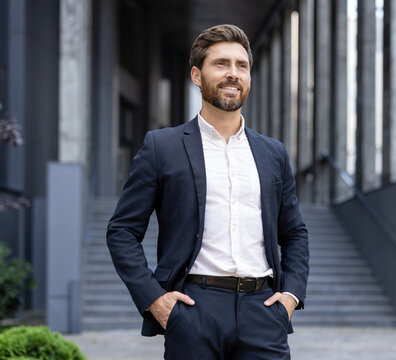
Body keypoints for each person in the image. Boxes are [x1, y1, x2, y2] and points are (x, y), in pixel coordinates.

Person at [106, 24, 309, 360]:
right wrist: (155, 300)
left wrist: (290, 295)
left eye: (241, 66)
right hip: (194, 310)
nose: (233, 74)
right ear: (197, 76)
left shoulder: (274, 153)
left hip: (264, 311)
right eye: (221, 64)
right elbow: (122, 230)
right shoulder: (162, 147)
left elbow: (295, 232)